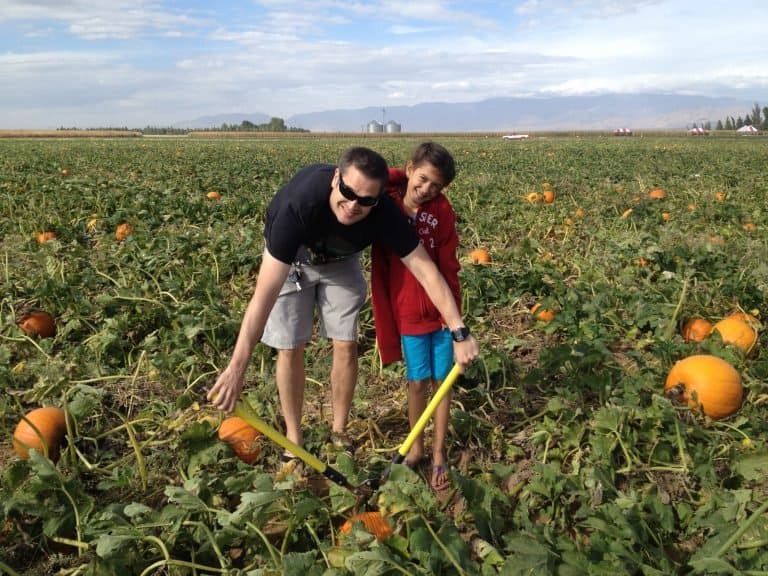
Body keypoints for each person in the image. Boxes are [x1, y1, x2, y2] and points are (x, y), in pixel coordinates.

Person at [207, 146, 479, 475]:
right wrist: (237, 369)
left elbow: (428, 273)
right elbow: (262, 299)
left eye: (365, 200)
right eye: (347, 193)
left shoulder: (383, 213)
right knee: (291, 346)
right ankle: (295, 442)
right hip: (296, 257)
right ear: (336, 178)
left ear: (378, 199)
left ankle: (339, 432)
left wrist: (459, 330)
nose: (352, 206)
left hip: (340, 261)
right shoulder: (298, 207)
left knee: (346, 343)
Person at [370, 141, 461, 493]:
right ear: (408, 169)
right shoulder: (386, 204)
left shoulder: (442, 212)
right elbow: (381, 178)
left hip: (439, 315)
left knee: (442, 384)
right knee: (416, 382)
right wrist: (398, 178)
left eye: (435, 186)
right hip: (406, 311)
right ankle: (416, 446)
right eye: (421, 180)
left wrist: (454, 315)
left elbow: (450, 265)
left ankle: (438, 452)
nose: (426, 190)